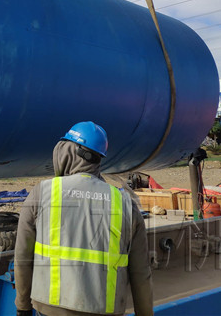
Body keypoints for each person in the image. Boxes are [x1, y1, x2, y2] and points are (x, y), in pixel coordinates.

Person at [14, 121, 153, 316]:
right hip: (103, 310)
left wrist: (22, 306)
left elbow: (22, 256)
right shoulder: (124, 203)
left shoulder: (43, 193)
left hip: (50, 309)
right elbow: (141, 273)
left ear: (69, 151)